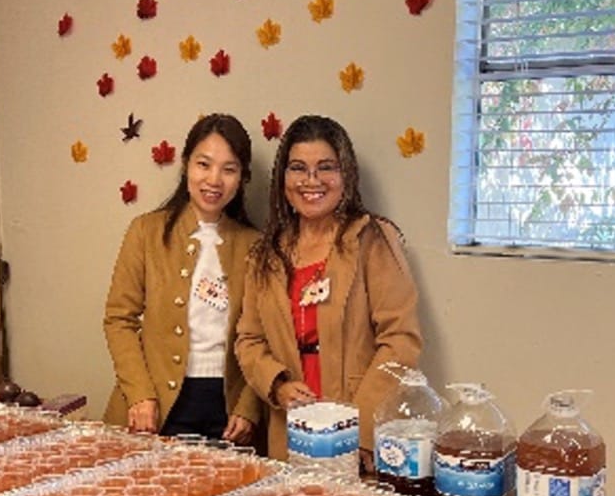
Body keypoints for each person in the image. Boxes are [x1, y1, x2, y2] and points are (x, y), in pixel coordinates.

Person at [235, 114, 423, 465]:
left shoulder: (373, 239)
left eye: (326, 168)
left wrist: (356, 428)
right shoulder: (266, 253)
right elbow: (249, 340)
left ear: (345, 175)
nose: (311, 181)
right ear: (283, 178)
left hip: (359, 434)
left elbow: (401, 340)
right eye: (298, 168)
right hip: (290, 433)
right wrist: (277, 385)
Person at [102, 113, 262, 443]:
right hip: (156, 406)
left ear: (242, 177)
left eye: (229, 169)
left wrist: (249, 407)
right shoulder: (146, 231)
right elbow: (119, 319)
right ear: (186, 164)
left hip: (228, 412)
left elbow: (266, 335)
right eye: (204, 164)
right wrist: (139, 393)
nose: (214, 180)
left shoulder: (256, 246)